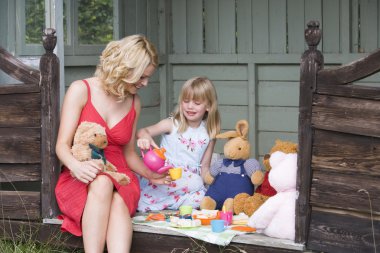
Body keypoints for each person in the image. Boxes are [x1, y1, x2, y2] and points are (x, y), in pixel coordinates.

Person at [54, 34, 168, 252]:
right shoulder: (81, 90)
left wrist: (151, 174)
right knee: (102, 182)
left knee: (118, 200)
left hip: (121, 174)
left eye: (147, 78)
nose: (145, 84)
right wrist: (76, 167)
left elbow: (129, 154)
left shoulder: (134, 101)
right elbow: (62, 145)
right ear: (126, 69)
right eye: (142, 77)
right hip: (82, 171)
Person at [137, 76, 221, 212]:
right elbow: (143, 131)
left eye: (197, 103)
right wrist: (145, 137)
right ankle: (157, 200)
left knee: (203, 195)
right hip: (166, 176)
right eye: (186, 101)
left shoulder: (209, 134)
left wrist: (213, 180)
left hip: (189, 184)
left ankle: (165, 203)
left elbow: (204, 166)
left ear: (209, 106)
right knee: (196, 183)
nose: (190, 106)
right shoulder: (172, 124)